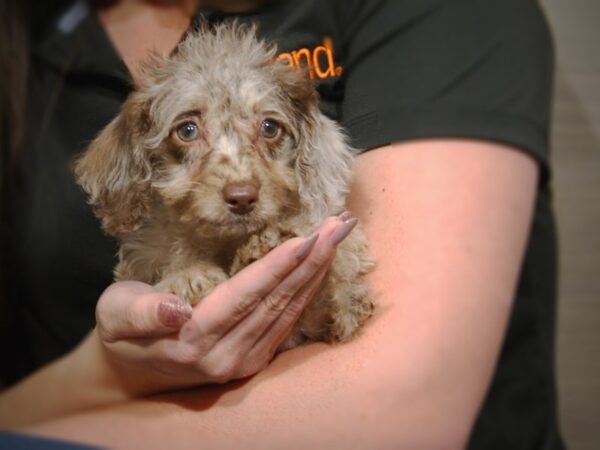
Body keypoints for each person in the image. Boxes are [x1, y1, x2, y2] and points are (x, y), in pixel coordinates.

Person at [0, 0, 564, 448]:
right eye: (188, 132)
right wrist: (109, 371)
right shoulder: (34, 31)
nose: (238, 180)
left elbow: (408, 404)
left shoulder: (446, 16)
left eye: (268, 130)